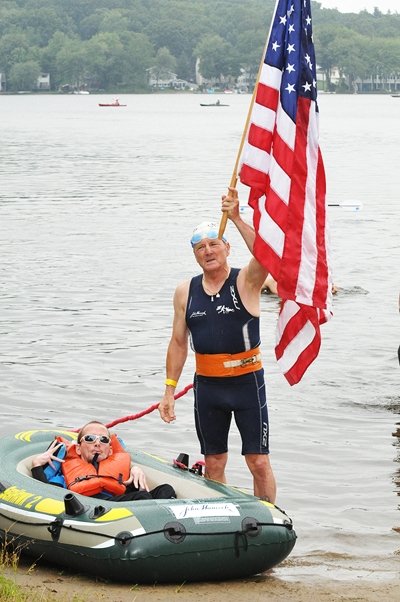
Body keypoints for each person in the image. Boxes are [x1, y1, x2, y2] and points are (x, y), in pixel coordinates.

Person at [159, 187, 277, 503]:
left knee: (258, 461)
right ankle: (221, 522)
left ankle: (267, 521)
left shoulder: (246, 281)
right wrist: (169, 390)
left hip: (247, 384)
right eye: (200, 248)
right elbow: (178, 342)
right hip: (208, 386)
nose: (208, 251)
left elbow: (267, 256)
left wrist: (236, 217)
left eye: (214, 244)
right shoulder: (186, 291)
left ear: (227, 248)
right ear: (194, 254)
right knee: (214, 462)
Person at [31, 420, 176, 501]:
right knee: (142, 497)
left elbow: (127, 488)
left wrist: (134, 469)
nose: (97, 443)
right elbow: (45, 493)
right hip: (90, 508)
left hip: (120, 502)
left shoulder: (120, 470)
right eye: (90, 439)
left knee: (165, 489)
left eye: (103, 439)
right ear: (79, 449)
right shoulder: (64, 471)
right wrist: (37, 465)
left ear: (110, 449)